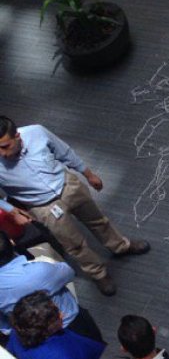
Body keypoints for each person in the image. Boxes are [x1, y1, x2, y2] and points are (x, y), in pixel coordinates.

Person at [0, 116, 151, 296]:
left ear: (17, 136)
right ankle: (98, 273)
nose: (2, 154)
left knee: (98, 220)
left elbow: (64, 152)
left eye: (5, 146)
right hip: (42, 206)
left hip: (67, 186)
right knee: (74, 244)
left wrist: (88, 174)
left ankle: (120, 246)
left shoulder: (37, 132)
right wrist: (11, 209)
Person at [0, 231, 103, 341]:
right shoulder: (39, 271)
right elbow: (68, 272)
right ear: (11, 242)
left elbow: (4, 326)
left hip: (31, 338)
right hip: (71, 325)